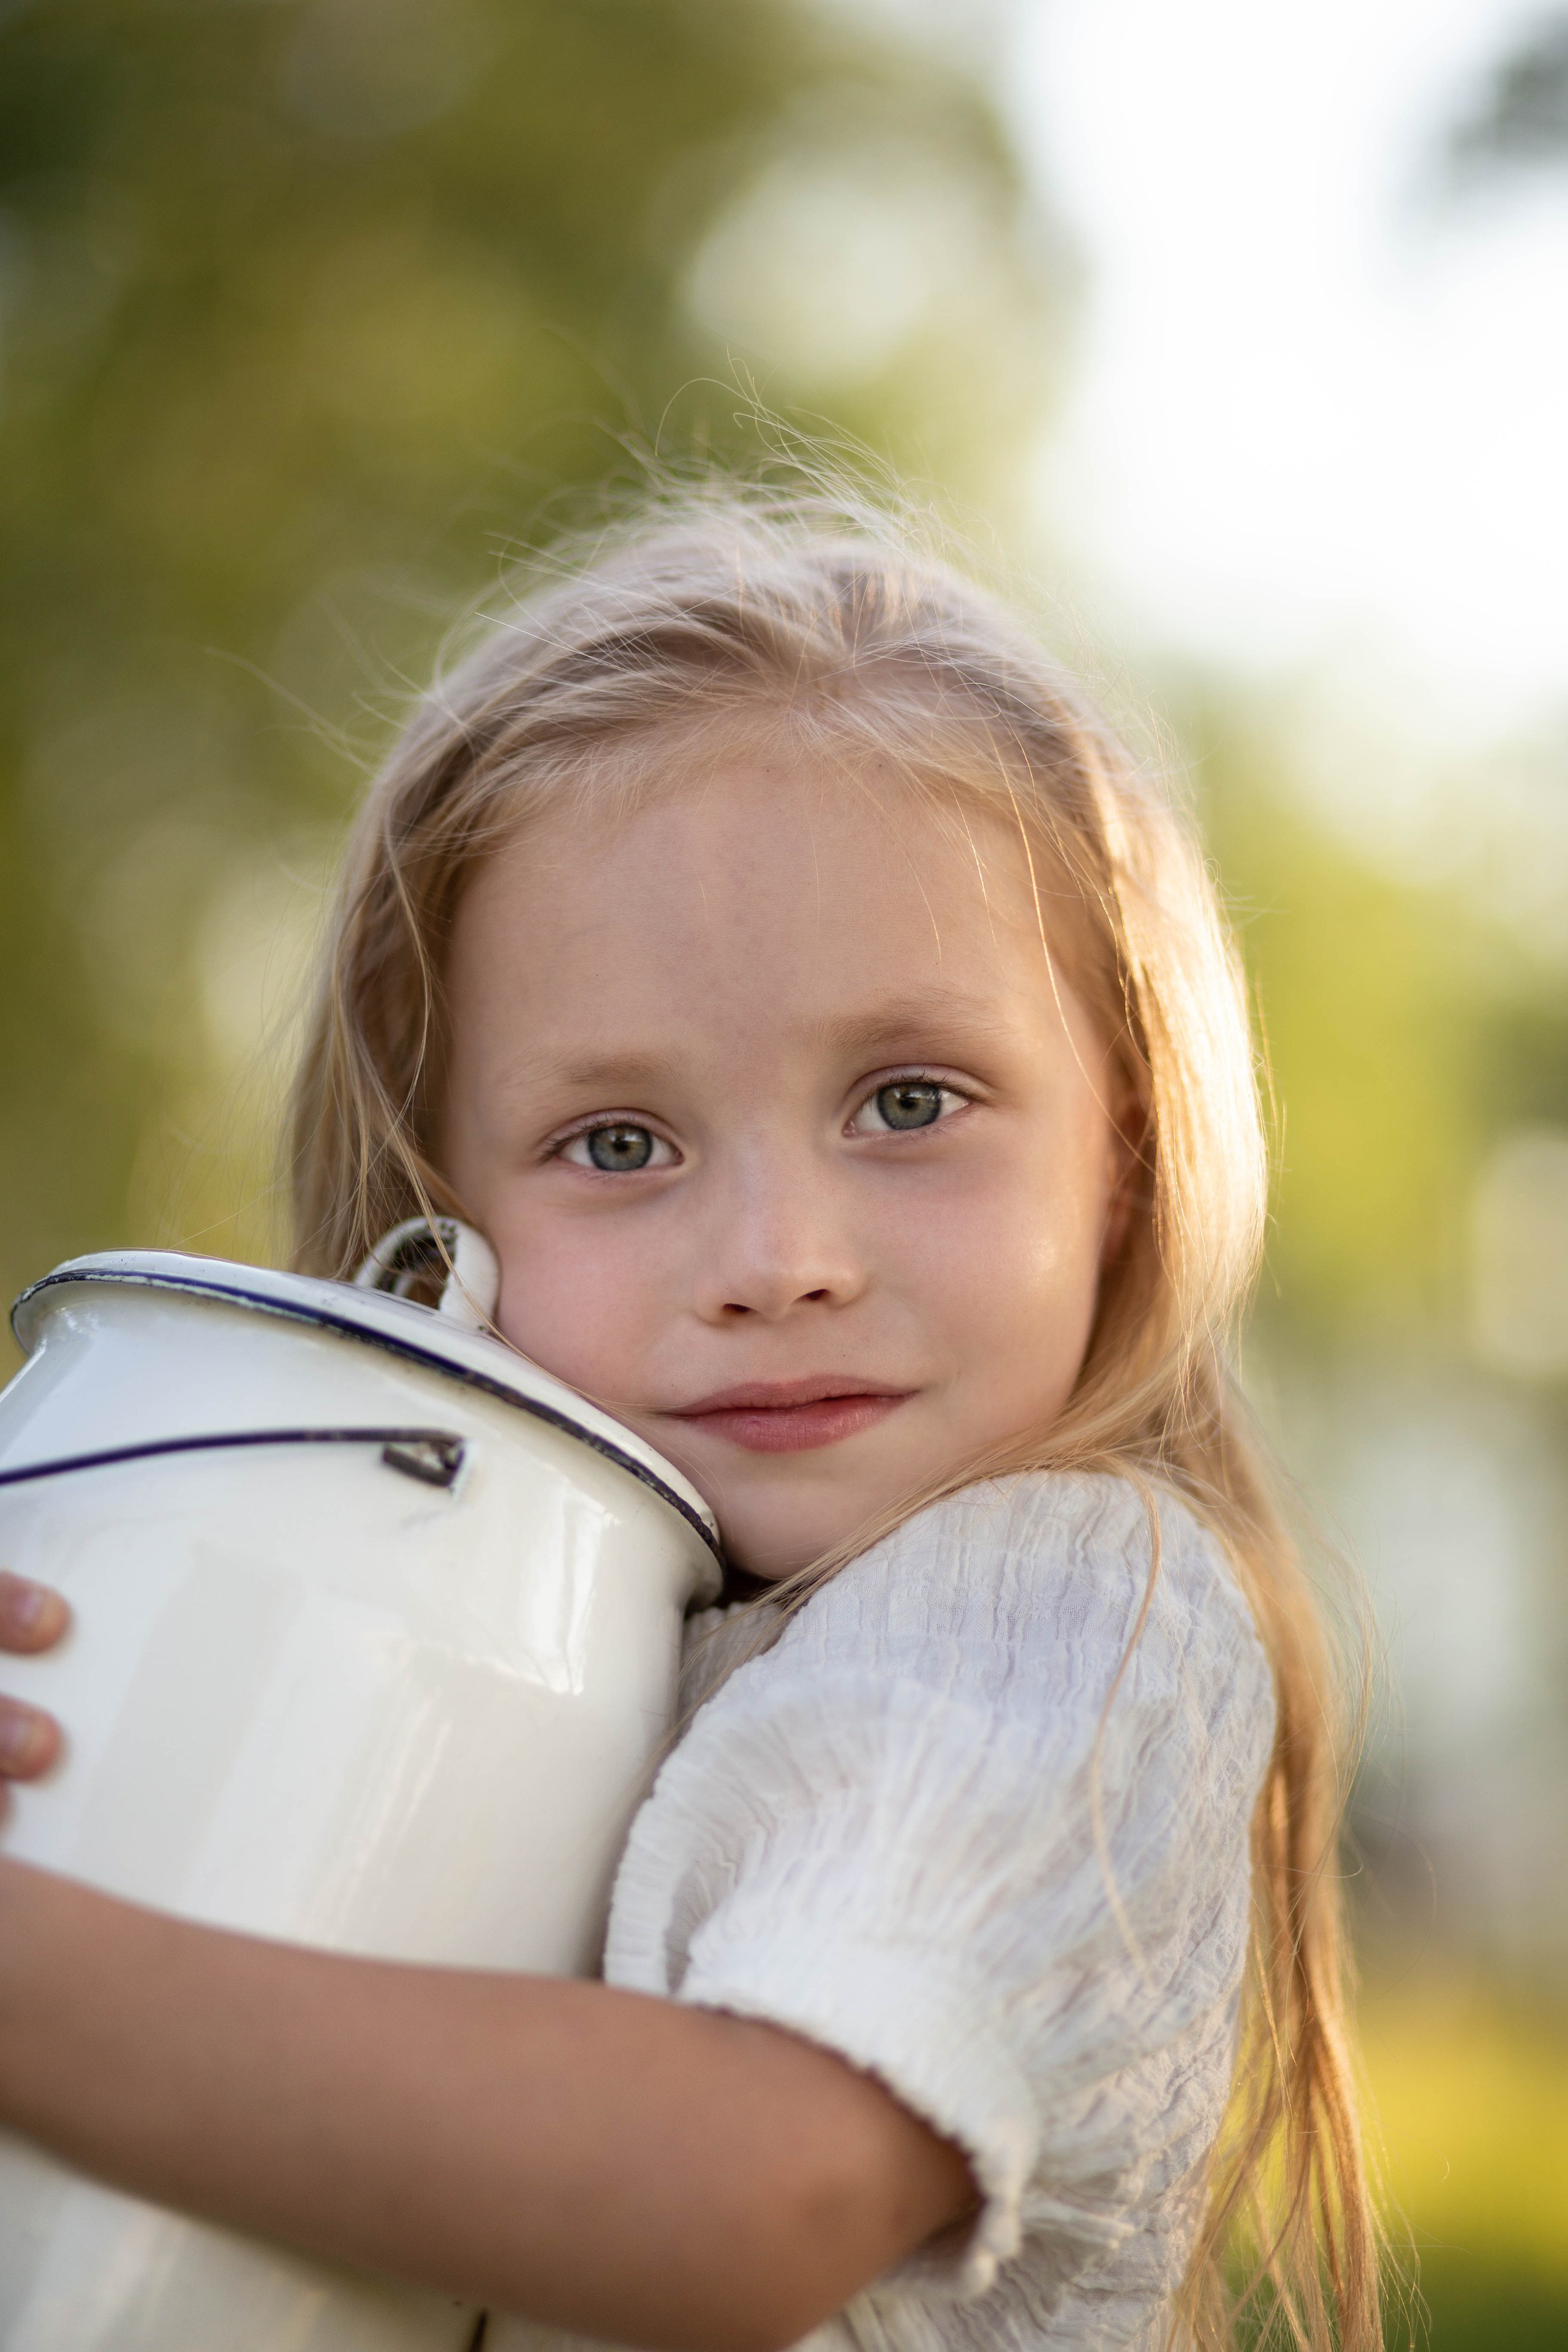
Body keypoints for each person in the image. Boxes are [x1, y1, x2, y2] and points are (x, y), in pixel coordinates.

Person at [0, 484, 1379, 2352]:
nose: (775, 1259)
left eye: (910, 1101)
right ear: (451, 1211)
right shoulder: (523, 1630)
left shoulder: (1063, 1604)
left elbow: (759, 2189)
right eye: (620, 1143)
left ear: (1126, 1151)